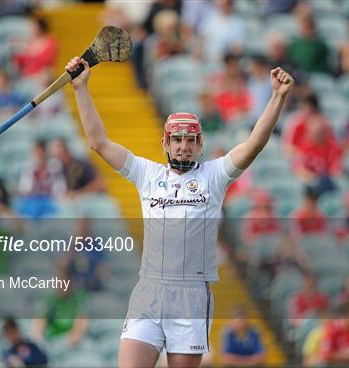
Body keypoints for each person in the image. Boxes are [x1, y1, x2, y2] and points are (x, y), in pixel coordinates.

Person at [66, 52, 293, 367]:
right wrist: (81, 89)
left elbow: (253, 143)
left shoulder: (214, 176)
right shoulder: (147, 174)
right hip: (149, 290)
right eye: (177, 139)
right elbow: (99, 143)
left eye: (190, 140)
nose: (183, 145)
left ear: (199, 144)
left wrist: (277, 98)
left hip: (191, 295)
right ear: (165, 143)